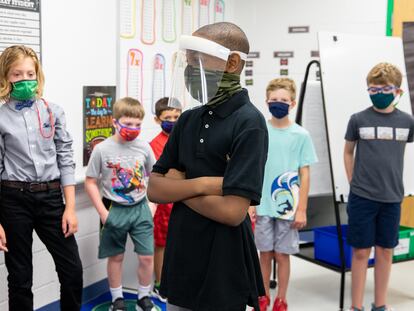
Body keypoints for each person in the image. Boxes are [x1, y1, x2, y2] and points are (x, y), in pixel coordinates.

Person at [147, 22, 268, 311]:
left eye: (197, 61)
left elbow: (232, 212)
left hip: (223, 265)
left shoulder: (249, 123)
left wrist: (179, 186)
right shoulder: (188, 119)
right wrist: (209, 183)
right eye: (188, 61)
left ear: (233, 62)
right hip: (181, 258)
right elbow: (154, 188)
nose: (190, 69)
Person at [0, 45, 83, 310]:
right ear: (5, 77)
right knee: (20, 277)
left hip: (51, 198)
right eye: (17, 74)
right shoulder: (1, 117)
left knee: (72, 270)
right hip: (13, 200)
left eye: (30, 73)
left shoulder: (53, 111)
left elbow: (65, 158)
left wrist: (70, 207)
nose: (25, 80)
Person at [344, 62, 414, 311]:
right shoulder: (358, 119)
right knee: (361, 252)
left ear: (397, 90)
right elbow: (348, 152)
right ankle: (356, 306)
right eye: (373, 89)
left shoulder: (407, 122)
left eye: (385, 88)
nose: (379, 93)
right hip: (362, 197)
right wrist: (354, 182)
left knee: (385, 252)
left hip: (392, 197)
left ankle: (380, 305)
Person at [85, 97, 156, 311]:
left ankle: (144, 297)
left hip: (141, 207)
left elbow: (154, 177)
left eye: (137, 124)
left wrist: (152, 206)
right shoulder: (101, 149)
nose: (133, 129)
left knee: (146, 256)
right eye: (128, 123)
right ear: (115, 122)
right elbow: (90, 181)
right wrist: (102, 212)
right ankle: (117, 300)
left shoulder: (144, 147)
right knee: (116, 257)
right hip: (113, 208)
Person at [253, 78, 317, 311]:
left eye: (283, 100)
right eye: (274, 100)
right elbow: (254, 166)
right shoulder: (260, 131)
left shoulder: (301, 135)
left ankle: (281, 298)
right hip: (262, 205)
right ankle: (262, 296)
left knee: (282, 255)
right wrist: (251, 203)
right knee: (265, 253)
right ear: (266, 102)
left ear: (292, 103)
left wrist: (302, 208)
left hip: (288, 207)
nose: (278, 103)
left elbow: (305, 174)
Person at [149, 97, 181, 302]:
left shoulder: (185, 138)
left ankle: (178, 281)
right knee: (161, 244)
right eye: (168, 117)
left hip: (183, 200)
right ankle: (160, 284)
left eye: (177, 117)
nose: (173, 120)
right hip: (163, 205)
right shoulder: (154, 144)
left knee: (180, 244)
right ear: (157, 120)